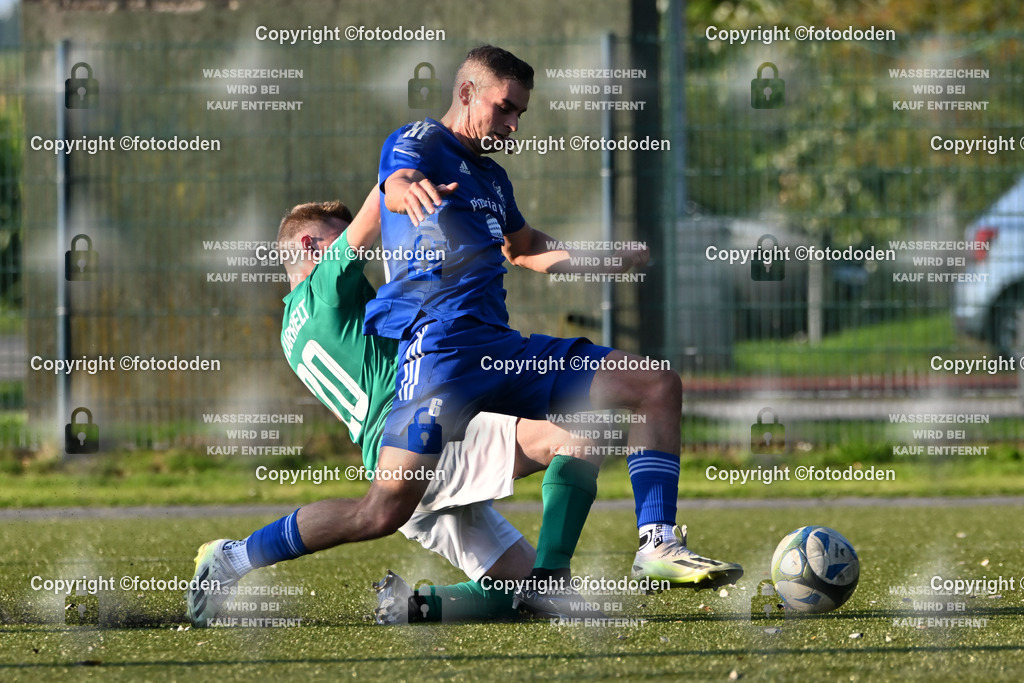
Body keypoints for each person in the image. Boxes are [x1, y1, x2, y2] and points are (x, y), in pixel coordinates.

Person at [367, 44, 742, 616]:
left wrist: (605, 259)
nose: (514, 125)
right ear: (466, 93)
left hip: (499, 349)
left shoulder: (492, 179)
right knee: (383, 510)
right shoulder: (422, 138)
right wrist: (403, 191)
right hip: (439, 352)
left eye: (521, 114)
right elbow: (399, 179)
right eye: (505, 108)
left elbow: (526, 249)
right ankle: (239, 557)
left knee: (655, 384)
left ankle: (654, 544)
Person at [187, 191, 608, 627]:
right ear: (311, 247)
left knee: (518, 591)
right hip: (423, 432)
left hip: (388, 458)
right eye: (341, 241)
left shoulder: (292, 329)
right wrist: (417, 158)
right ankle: (555, 580)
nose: (358, 252)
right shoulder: (326, 288)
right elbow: (378, 204)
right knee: (573, 437)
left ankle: (413, 606)